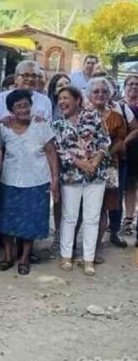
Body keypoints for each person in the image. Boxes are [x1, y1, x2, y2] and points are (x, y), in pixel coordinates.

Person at [0, 90, 59, 275]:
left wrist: (55, 179)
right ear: (11, 109)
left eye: (26, 105)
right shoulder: (3, 127)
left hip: (36, 181)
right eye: (18, 106)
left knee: (30, 221)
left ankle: (24, 258)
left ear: (31, 106)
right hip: (9, 180)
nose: (23, 109)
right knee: (7, 220)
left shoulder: (41, 125)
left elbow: (51, 152)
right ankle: (7, 256)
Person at [52, 85, 111, 276]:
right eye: (59, 99)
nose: (62, 102)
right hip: (71, 176)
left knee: (92, 218)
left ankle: (88, 259)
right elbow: (60, 150)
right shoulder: (58, 124)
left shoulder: (93, 117)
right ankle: (66, 255)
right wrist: (81, 163)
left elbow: (105, 141)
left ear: (77, 100)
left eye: (66, 98)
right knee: (69, 217)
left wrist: (95, 161)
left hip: (96, 175)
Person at [85, 77, 137, 251]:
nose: (101, 94)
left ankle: (113, 232)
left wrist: (111, 151)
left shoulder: (118, 112)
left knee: (113, 198)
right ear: (89, 94)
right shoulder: (82, 112)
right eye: (96, 91)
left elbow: (126, 134)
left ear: (110, 94)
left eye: (105, 91)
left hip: (113, 164)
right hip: (85, 165)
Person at [120, 74, 138, 240]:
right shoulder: (119, 105)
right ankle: (127, 220)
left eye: (137, 84)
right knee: (129, 185)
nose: (134, 87)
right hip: (125, 151)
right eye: (130, 84)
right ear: (124, 87)